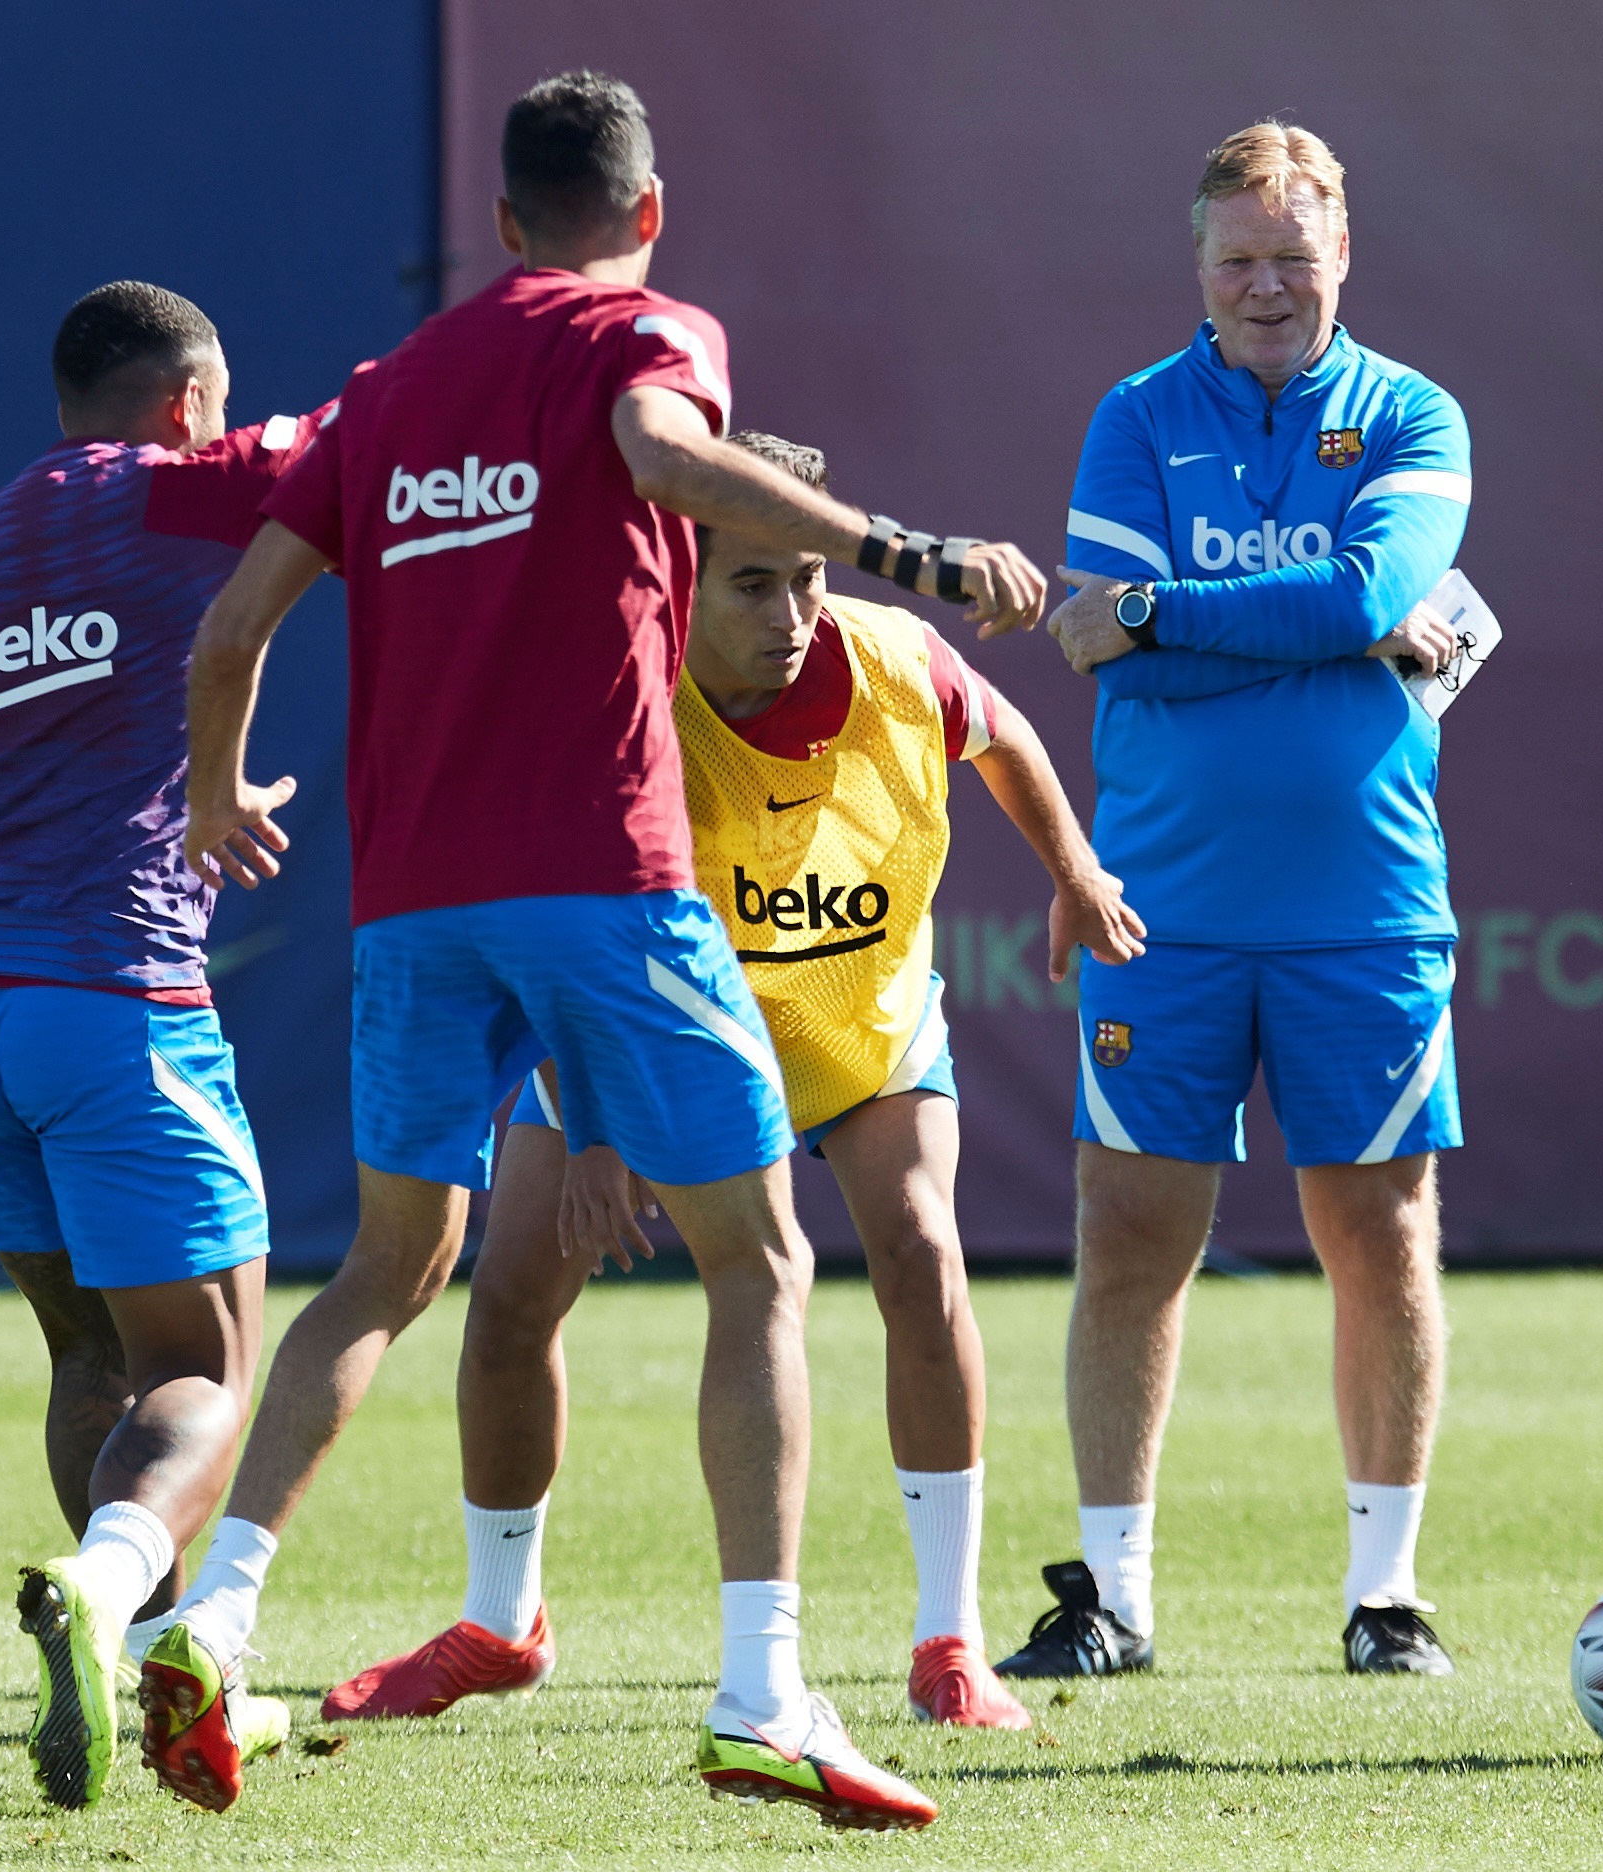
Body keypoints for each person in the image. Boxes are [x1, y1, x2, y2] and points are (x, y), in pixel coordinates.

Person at [163, 74, 1045, 1828]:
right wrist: (903, 552)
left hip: (414, 903)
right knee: (762, 1261)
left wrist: (207, 797)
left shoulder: (392, 388)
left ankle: (214, 1609)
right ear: (645, 215)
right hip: (606, 877)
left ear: (499, 225)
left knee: (388, 1271)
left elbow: (236, 621)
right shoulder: (646, 328)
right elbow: (658, 454)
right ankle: (763, 1691)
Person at [316, 430, 1142, 1736]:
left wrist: (1076, 872)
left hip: (859, 1032)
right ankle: (500, 1620)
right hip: (648, 1033)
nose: (796, 612)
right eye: (753, 583)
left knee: (922, 1254)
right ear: (673, 578)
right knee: (516, 1287)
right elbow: (564, 936)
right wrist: (593, 1128)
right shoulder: (615, 711)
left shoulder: (892, 658)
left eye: (810, 575)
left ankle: (950, 1643)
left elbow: (1008, 734)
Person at [0, 281, 324, 1808]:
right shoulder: (203, 483)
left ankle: (131, 1663)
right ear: (187, 395)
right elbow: (391, 422)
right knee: (204, 1375)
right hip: (111, 1001)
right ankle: (112, 1600)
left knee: (87, 1350)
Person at [1004, 121, 1473, 1681]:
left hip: (1365, 903)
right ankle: (1116, 1599)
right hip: (1164, 906)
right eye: (1237, 262)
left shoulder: (1415, 416)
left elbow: (1360, 594)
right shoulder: (1135, 419)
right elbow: (1107, 640)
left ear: (1348, 255)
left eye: (1294, 257)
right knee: (1132, 1231)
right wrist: (1316, 629)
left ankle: (1387, 1597)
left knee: (1379, 1234)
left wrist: (1156, 613)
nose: (1266, 289)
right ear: (1197, 269)